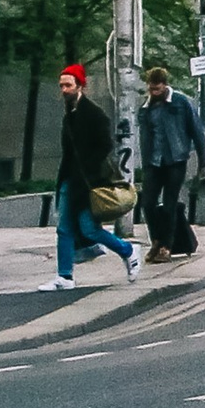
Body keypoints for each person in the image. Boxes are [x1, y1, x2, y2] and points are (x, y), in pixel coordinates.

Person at [48, 64, 135, 292]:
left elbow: (105, 145)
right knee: (64, 228)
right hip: (70, 180)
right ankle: (64, 276)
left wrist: (87, 169)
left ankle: (127, 250)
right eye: (61, 86)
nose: (64, 90)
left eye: (68, 85)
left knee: (89, 229)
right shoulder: (69, 116)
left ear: (80, 85)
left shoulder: (94, 114)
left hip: (88, 183)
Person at [136, 65, 205, 259]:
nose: (153, 92)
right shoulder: (146, 106)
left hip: (175, 159)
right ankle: (156, 241)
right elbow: (144, 135)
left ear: (165, 85)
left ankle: (167, 246)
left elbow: (197, 132)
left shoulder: (180, 102)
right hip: (153, 161)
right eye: (151, 88)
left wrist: (203, 163)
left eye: (157, 89)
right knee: (147, 203)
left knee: (169, 204)